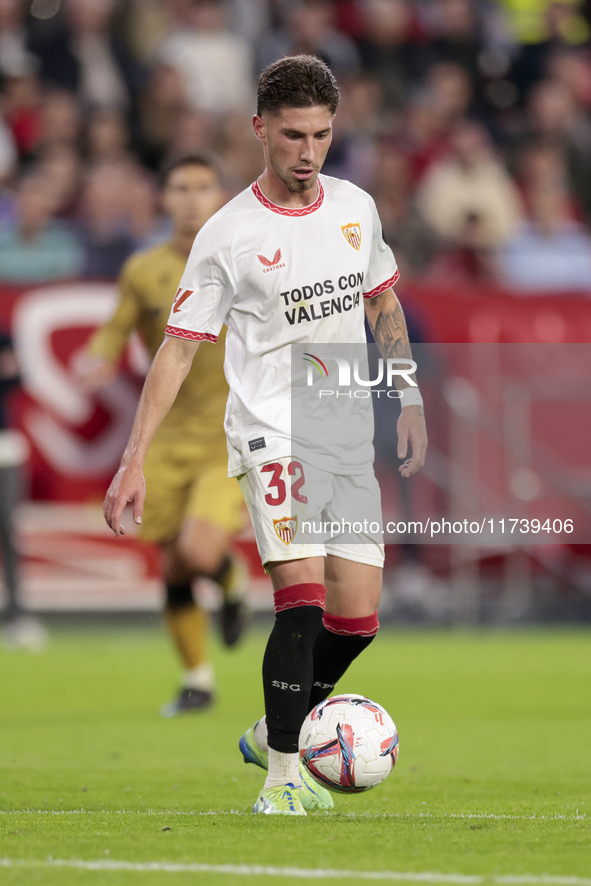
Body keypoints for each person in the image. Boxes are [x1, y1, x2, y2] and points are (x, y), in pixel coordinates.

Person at [102, 56, 427, 814]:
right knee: (302, 602)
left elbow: (382, 303)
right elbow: (179, 345)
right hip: (270, 432)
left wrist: (406, 397)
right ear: (259, 130)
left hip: (343, 428)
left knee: (356, 619)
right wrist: (133, 458)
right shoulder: (228, 234)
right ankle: (283, 778)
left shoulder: (354, 207)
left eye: (319, 135)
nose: (307, 152)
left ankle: (269, 730)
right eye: (291, 136)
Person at [79, 155, 248, 715]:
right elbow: (116, 327)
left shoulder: (244, 259)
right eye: (182, 188)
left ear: (219, 195)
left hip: (227, 433)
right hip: (168, 442)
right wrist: (100, 355)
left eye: (204, 187)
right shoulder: (143, 269)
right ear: (165, 199)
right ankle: (197, 679)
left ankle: (228, 578)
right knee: (173, 565)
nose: (194, 198)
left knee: (199, 552)